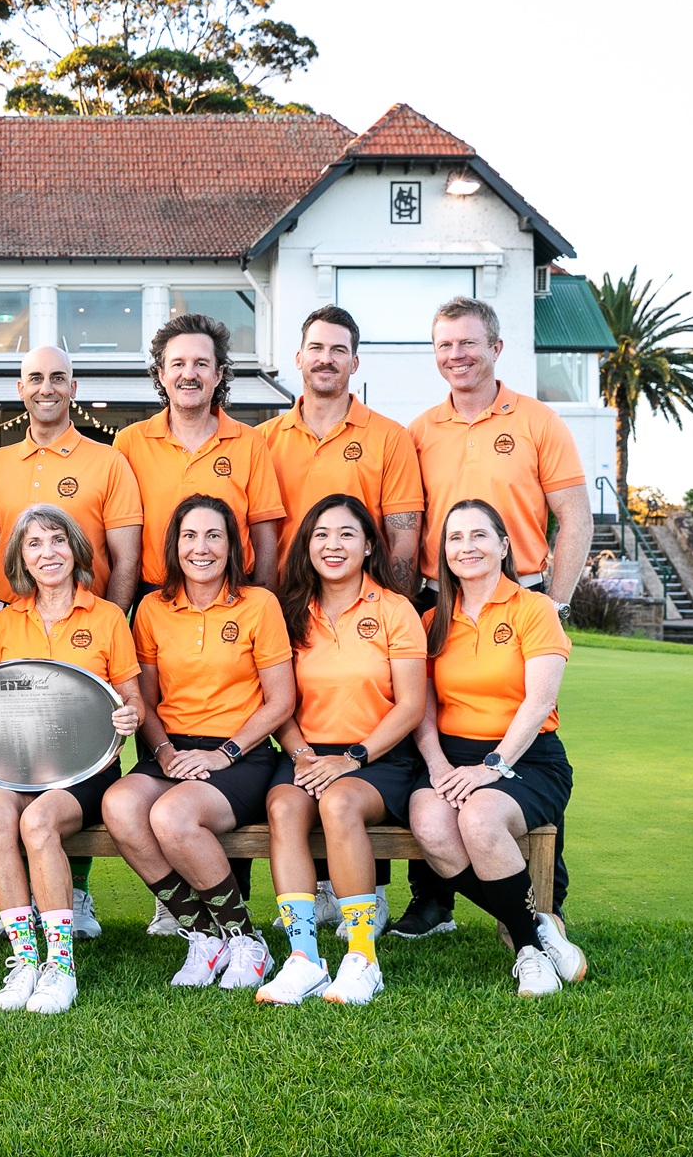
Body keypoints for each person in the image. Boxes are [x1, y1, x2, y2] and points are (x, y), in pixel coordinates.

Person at [396, 296, 592, 940]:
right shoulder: (420, 431)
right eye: (445, 345)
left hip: (521, 591)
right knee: (427, 748)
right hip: (438, 597)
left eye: (469, 343)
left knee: (520, 730)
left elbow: (575, 518)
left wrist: (554, 603)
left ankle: (543, 901)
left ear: (496, 349)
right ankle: (433, 902)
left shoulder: (537, 421)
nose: (456, 355)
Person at [0, 344, 144, 940]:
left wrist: (98, 628)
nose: (46, 387)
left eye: (58, 377)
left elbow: (125, 555)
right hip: (17, 624)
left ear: (74, 387)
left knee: (77, 751)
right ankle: (24, 929)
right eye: (35, 378)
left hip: (86, 630)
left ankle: (78, 895)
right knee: (16, 770)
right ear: (21, 389)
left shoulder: (108, 460)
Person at [103, 496, 295, 993]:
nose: (201, 548)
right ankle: (203, 936)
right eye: (190, 536)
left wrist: (222, 753)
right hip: (172, 749)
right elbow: (144, 699)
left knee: (171, 816)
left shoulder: (260, 604)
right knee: (120, 805)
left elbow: (281, 702)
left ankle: (247, 939)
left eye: (214, 536)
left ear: (233, 546)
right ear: (174, 546)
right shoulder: (151, 607)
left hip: (242, 754)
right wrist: (164, 753)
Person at [0, 504, 145, 1016]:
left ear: (75, 549)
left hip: (85, 770)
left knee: (40, 821)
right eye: (34, 544)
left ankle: (59, 967)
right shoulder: (4, 623)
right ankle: (25, 961)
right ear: (20, 557)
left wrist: (129, 716)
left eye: (57, 540)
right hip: (15, 767)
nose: (48, 553)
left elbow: (130, 697)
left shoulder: (108, 616)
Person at [408, 499, 587, 998]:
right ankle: (539, 927)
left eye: (479, 535)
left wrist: (493, 765)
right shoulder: (432, 621)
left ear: (504, 546)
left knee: (480, 820)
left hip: (527, 756)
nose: (467, 547)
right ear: (443, 553)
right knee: (430, 825)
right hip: (452, 755)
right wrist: (439, 764)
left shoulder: (535, 609)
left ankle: (527, 950)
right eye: (455, 538)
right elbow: (422, 708)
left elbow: (539, 701)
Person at [256, 494, 426, 1007]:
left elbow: (412, 705)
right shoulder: (287, 612)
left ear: (369, 544)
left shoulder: (395, 610)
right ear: (307, 545)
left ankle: (361, 958)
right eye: (321, 534)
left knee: (339, 802)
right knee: (284, 805)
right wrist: (303, 755)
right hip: (307, 753)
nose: (333, 545)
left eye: (347, 534)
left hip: (378, 757)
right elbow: (278, 703)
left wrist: (351, 758)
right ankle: (304, 957)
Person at [114, 313, 287, 599]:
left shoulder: (250, 442)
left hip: (233, 597)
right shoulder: (129, 443)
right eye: (178, 364)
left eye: (201, 364)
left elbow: (265, 538)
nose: (189, 374)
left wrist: (264, 603)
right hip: (154, 598)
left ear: (218, 374)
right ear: (161, 373)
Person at [257, 307, 424, 596]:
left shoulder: (390, 437)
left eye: (338, 350)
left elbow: (403, 538)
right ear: (299, 358)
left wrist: (395, 613)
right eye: (316, 348)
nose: (326, 359)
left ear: (354, 362)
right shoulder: (261, 440)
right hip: (283, 605)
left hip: (363, 614)